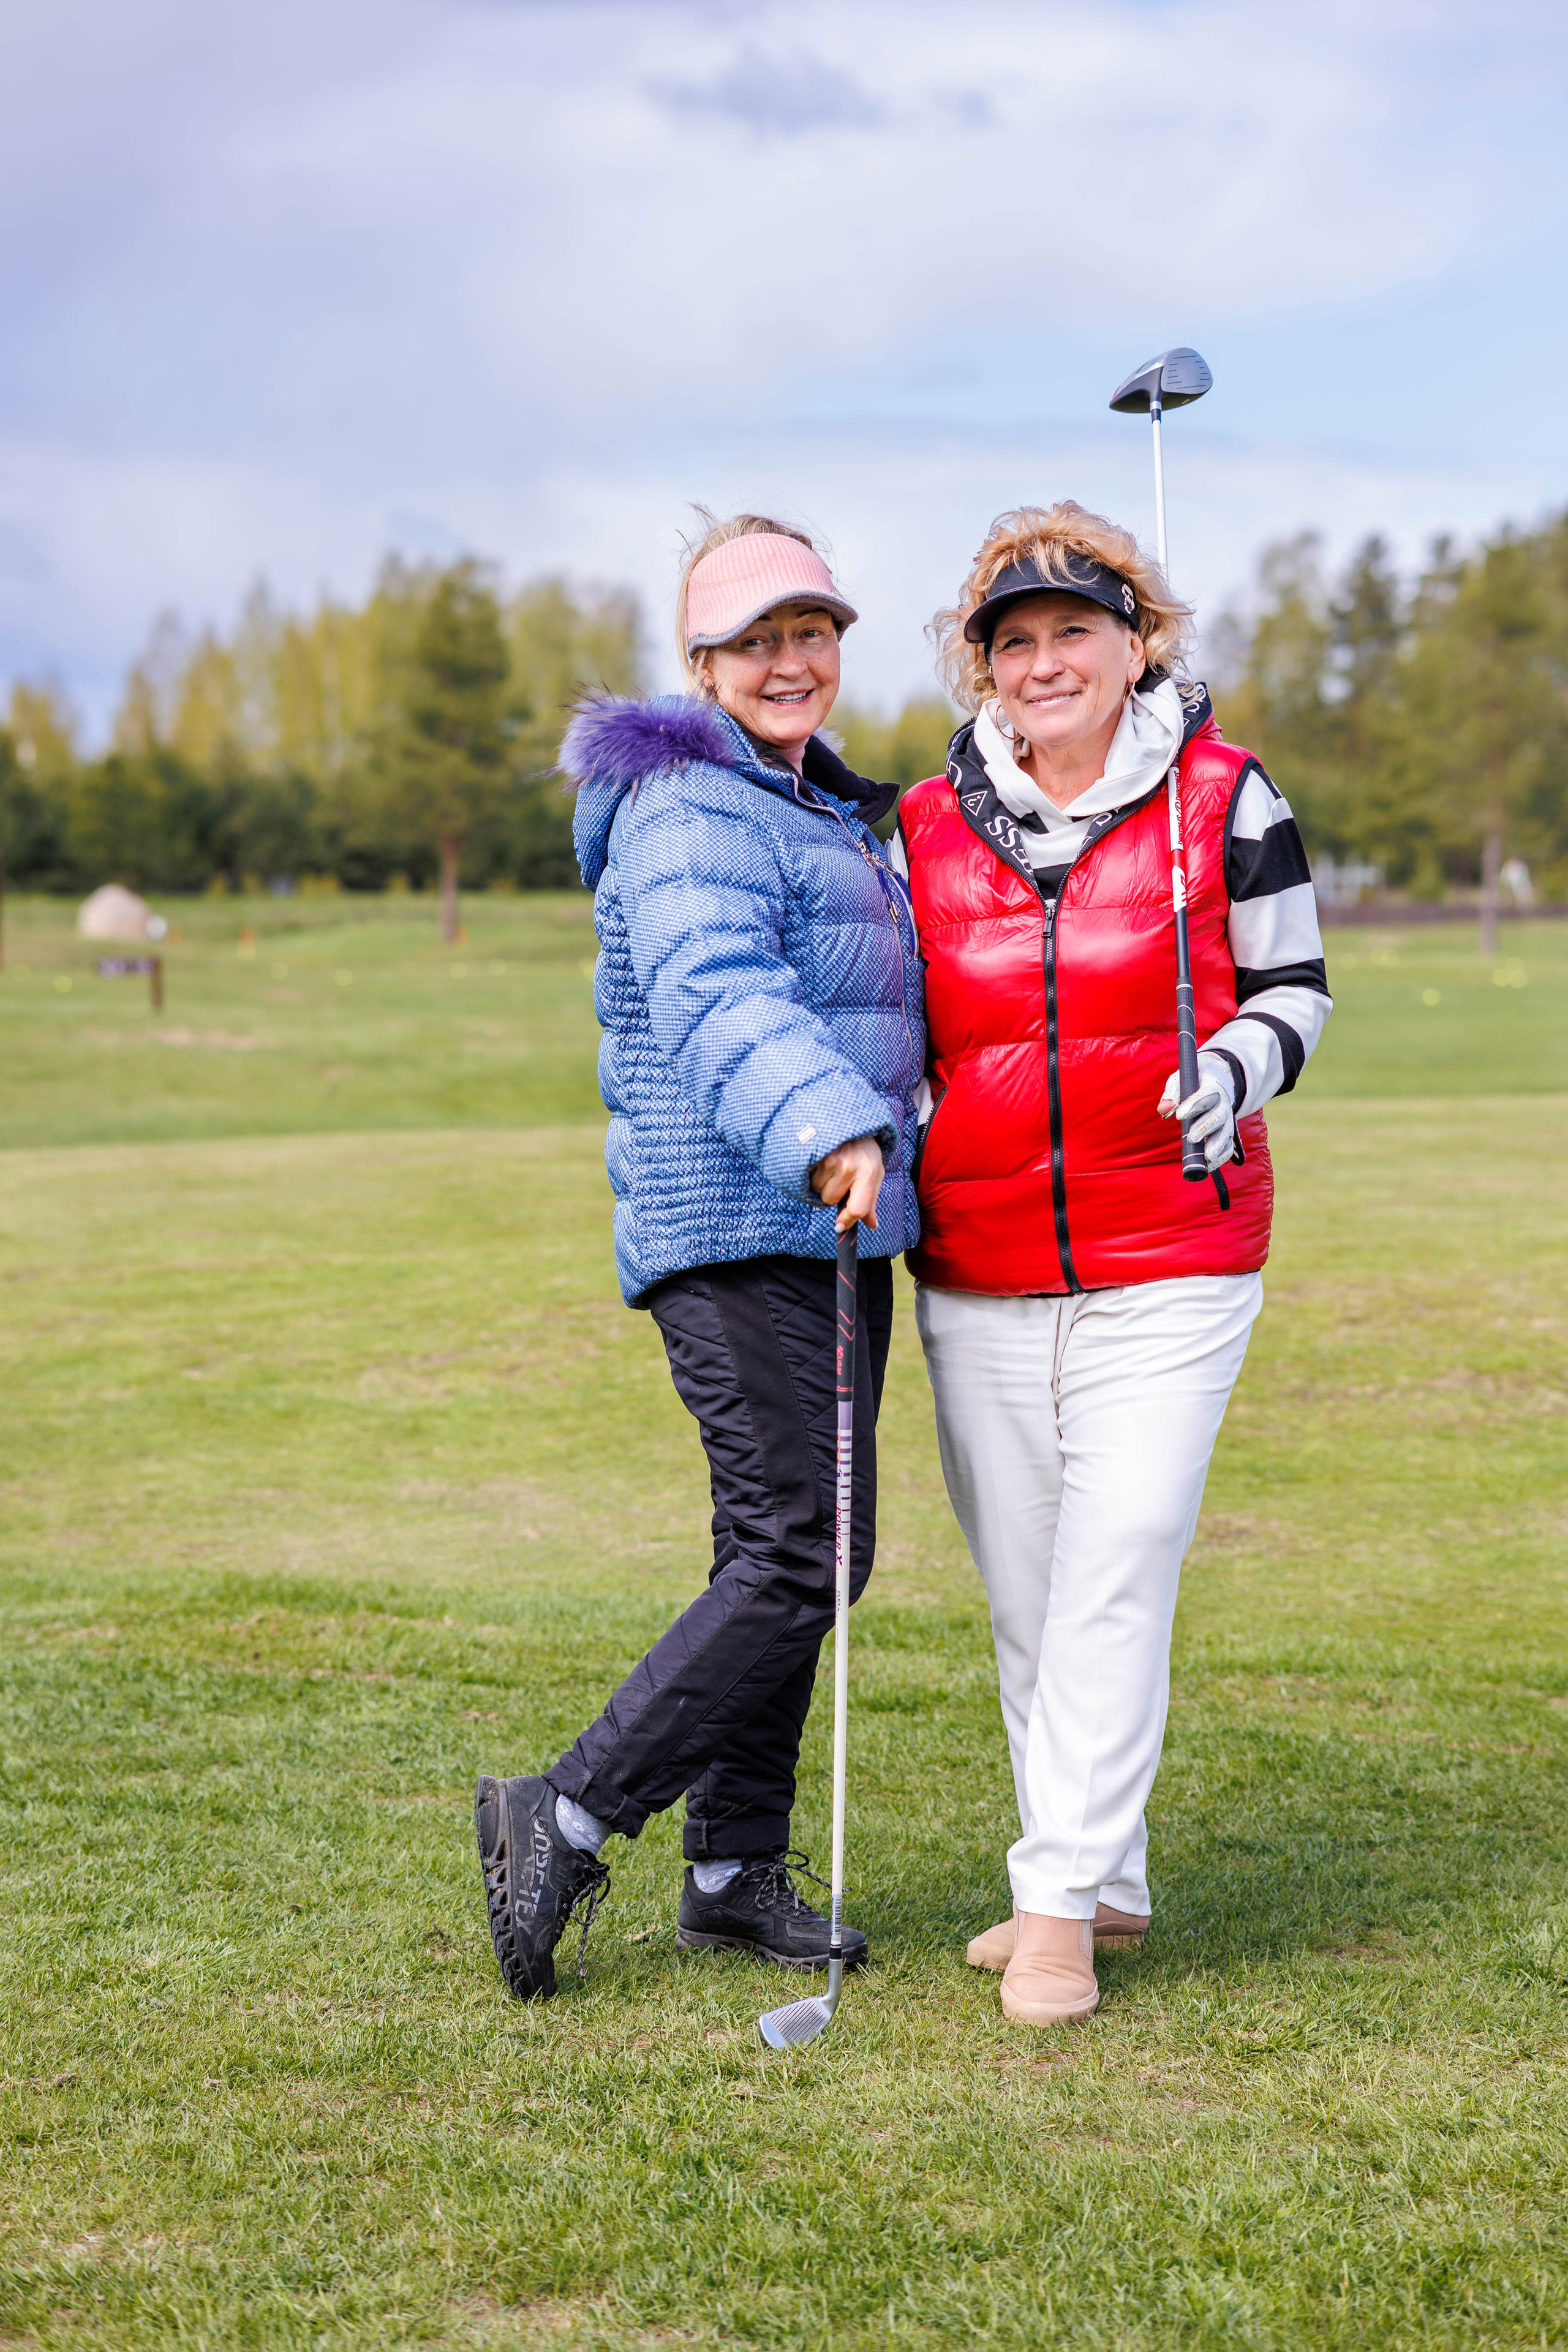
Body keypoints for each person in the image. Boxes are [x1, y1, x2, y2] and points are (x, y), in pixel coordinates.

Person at [892, 503, 1331, 2026]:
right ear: (980, 670)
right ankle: (1111, 1874)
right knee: (1030, 1591)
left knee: (1116, 1561)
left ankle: (1054, 1911)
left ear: (1138, 638)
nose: (1041, 662)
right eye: (1009, 642)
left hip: (1177, 1246)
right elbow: (905, 1025)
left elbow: (1296, 983)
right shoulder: (926, 824)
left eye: (1073, 629)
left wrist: (1235, 1064)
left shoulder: (1220, 794)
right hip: (978, 1263)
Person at [475, 513, 924, 2000]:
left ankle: (733, 1872)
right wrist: (827, 1130)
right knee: (808, 1550)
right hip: (741, 1215)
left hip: (829, 1228)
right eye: (756, 640)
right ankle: (568, 1810)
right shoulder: (685, 807)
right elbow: (713, 992)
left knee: (780, 1552)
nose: (790, 661)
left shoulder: (811, 805)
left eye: (810, 633)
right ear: (700, 664)